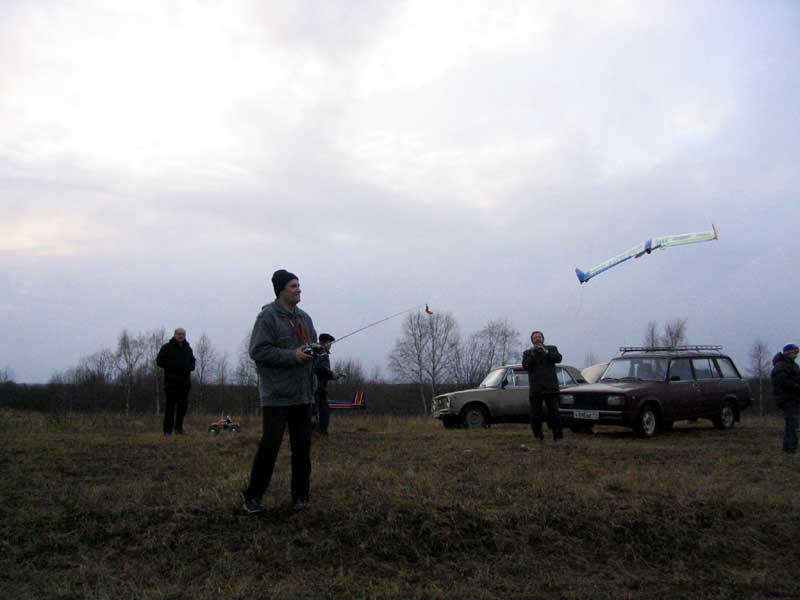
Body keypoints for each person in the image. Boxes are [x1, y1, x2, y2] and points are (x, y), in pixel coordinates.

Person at [241, 269, 318, 515]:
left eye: (299, 285)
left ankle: (301, 497)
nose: (299, 289)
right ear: (281, 290)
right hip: (276, 396)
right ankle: (253, 498)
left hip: (303, 394)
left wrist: (316, 350)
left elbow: (310, 346)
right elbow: (258, 351)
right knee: (270, 446)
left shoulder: (305, 318)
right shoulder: (267, 317)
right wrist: (292, 355)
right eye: (293, 286)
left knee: (302, 447)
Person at [522, 330, 563, 443]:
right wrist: (533, 354)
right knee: (535, 414)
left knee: (554, 413)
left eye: (539, 337)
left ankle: (557, 436)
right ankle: (538, 436)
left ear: (543, 339)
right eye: (535, 337)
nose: (537, 339)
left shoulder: (552, 348)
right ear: (532, 341)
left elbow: (558, 358)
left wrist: (546, 351)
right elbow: (525, 366)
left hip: (551, 388)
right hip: (536, 389)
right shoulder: (528, 353)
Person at [156, 328, 196, 435]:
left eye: (183, 334)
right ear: (174, 335)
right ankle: (167, 431)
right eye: (179, 334)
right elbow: (159, 361)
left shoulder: (188, 348)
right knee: (170, 408)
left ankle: (178, 429)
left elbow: (193, 361)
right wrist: (171, 366)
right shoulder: (167, 347)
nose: (181, 336)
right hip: (171, 383)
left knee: (182, 408)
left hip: (184, 384)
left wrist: (190, 367)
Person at [771, 343, 800, 454]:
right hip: (787, 398)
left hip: (793, 397)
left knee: (791, 424)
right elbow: (781, 382)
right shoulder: (781, 365)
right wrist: (796, 386)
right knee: (793, 423)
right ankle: (790, 449)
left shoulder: (793, 365)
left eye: (797, 353)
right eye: (794, 353)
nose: (796, 355)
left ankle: (788, 448)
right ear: (788, 353)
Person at [314, 333, 339, 435]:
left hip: (321, 388)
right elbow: (318, 367)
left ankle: (322, 432)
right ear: (325, 342)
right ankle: (318, 432)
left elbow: (322, 372)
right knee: (317, 412)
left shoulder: (320, 353)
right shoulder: (322, 354)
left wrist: (333, 376)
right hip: (317, 388)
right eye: (330, 343)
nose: (331, 345)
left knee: (324, 412)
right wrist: (331, 373)